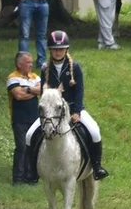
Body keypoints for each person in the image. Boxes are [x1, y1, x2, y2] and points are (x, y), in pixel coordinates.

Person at [25, 31, 110, 181]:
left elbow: (79, 90)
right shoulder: (45, 68)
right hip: (52, 113)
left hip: (73, 110)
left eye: (61, 49)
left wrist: (76, 111)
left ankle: (97, 167)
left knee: (94, 131)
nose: (58, 52)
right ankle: (32, 171)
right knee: (29, 135)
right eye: (55, 49)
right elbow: (44, 94)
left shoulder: (75, 67)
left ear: (66, 49)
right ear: (50, 50)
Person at [6, 51, 42, 184]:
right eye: (28, 62)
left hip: (35, 119)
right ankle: (18, 178)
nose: (31, 65)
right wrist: (33, 90)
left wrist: (27, 89)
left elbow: (42, 89)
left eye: (31, 62)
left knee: (33, 147)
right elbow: (18, 95)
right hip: (19, 119)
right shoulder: (12, 78)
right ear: (19, 64)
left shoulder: (35, 77)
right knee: (21, 147)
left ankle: (31, 176)